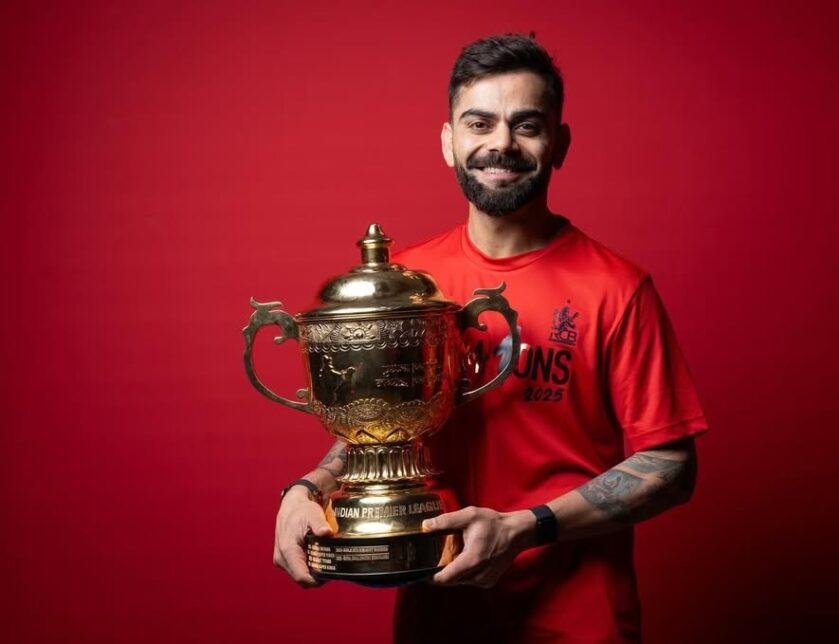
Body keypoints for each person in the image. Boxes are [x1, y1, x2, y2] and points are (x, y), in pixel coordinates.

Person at [274, 34, 709, 643]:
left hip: (580, 623)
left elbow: (671, 466)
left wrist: (525, 528)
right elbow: (385, 423)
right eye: (479, 122)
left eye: (526, 124)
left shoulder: (618, 287)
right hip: (438, 621)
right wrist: (307, 491)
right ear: (449, 141)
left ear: (558, 144)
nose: (501, 143)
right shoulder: (409, 285)